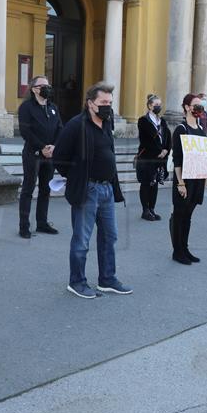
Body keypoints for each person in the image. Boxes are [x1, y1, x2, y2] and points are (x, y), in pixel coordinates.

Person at [52, 82, 131, 299]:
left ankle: (107, 279)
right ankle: (76, 282)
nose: (108, 106)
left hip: (106, 189)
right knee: (82, 240)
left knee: (109, 236)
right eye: (103, 103)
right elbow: (59, 157)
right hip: (88, 190)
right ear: (90, 103)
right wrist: (77, 177)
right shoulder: (76, 125)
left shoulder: (106, 122)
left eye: (110, 103)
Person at [18, 75, 63, 238]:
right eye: (43, 85)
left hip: (50, 155)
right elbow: (25, 131)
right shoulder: (26, 107)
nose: (47, 88)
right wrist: (41, 147)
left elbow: (60, 128)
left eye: (48, 85)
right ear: (34, 89)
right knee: (28, 189)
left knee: (46, 189)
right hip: (33, 153)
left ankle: (42, 223)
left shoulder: (53, 107)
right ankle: (24, 226)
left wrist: (54, 146)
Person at [170, 94, 207, 264]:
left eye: (201, 105)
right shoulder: (181, 129)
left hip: (198, 180)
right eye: (196, 105)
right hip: (185, 180)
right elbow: (177, 158)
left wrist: (205, 178)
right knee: (179, 216)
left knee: (188, 216)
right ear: (186, 107)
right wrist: (180, 183)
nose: (199, 108)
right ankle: (177, 251)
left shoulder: (201, 129)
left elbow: (206, 155)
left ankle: (185, 248)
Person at [136, 94, 171, 221]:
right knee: (146, 183)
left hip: (160, 159)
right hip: (148, 157)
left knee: (155, 183)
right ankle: (145, 210)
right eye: (156, 105)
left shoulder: (162, 121)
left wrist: (166, 149)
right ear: (150, 106)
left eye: (160, 105)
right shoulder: (143, 120)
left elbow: (168, 137)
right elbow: (146, 139)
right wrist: (159, 150)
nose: (159, 107)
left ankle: (152, 209)